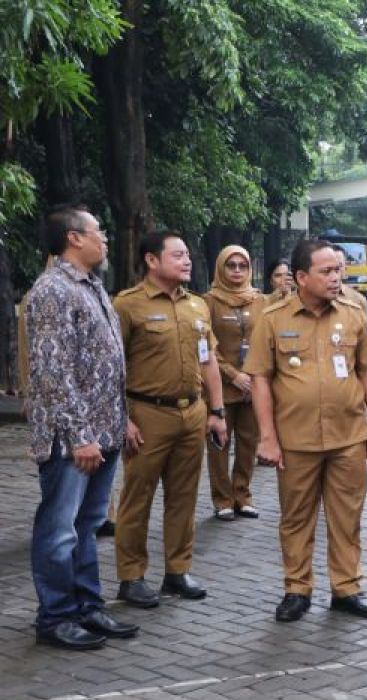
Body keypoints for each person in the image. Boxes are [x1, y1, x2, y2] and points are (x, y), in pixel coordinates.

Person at [246, 239, 367, 622]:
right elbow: (260, 379)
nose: (335, 277)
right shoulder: (273, 318)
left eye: (338, 270)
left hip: (348, 437)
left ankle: (347, 588)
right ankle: (297, 589)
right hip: (296, 440)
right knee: (296, 517)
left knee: (347, 516)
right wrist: (268, 437)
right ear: (301, 277)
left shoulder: (353, 314)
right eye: (326, 271)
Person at [24, 205, 138, 649]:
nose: (104, 238)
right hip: (73, 439)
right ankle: (54, 617)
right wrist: (79, 437)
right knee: (60, 528)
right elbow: (53, 372)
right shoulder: (53, 290)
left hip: (103, 431)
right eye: (98, 232)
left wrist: (119, 421)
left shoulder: (91, 286)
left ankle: (87, 606)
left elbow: (105, 365)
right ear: (74, 238)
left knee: (87, 524)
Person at [112, 230, 228, 609]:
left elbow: (208, 361)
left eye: (187, 255)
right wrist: (122, 419)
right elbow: (112, 369)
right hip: (146, 414)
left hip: (191, 412)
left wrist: (217, 411)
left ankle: (178, 571)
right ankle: (131, 576)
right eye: (177, 255)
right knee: (137, 498)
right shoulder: (127, 305)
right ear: (151, 260)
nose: (187, 261)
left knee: (183, 498)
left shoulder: (197, 305)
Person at [204, 245, 265, 521]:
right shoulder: (209, 301)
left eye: (242, 265)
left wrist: (253, 375)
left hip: (253, 387)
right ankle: (222, 499)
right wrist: (233, 375)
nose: (237, 271)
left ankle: (242, 494)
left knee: (249, 443)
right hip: (222, 387)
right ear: (221, 268)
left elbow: (266, 342)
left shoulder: (260, 301)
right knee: (219, 444)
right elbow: (206, 347)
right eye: (231, 265)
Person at [333, 245, 367, 311]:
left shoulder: (359, 302)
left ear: (345, 267)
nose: (334, 271)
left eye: (339, 265)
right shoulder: (310, 300)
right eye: (327, 267)